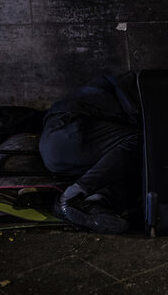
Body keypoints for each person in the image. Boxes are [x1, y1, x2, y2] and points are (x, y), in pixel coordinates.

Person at [39, 71, 142, 234]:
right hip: (67, 131)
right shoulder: (130, 86)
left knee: (127, 163)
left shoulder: (107, 88)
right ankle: (70, 197)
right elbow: (135, 112)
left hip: (56, 150)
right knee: (139, 140)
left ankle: (96, 202)